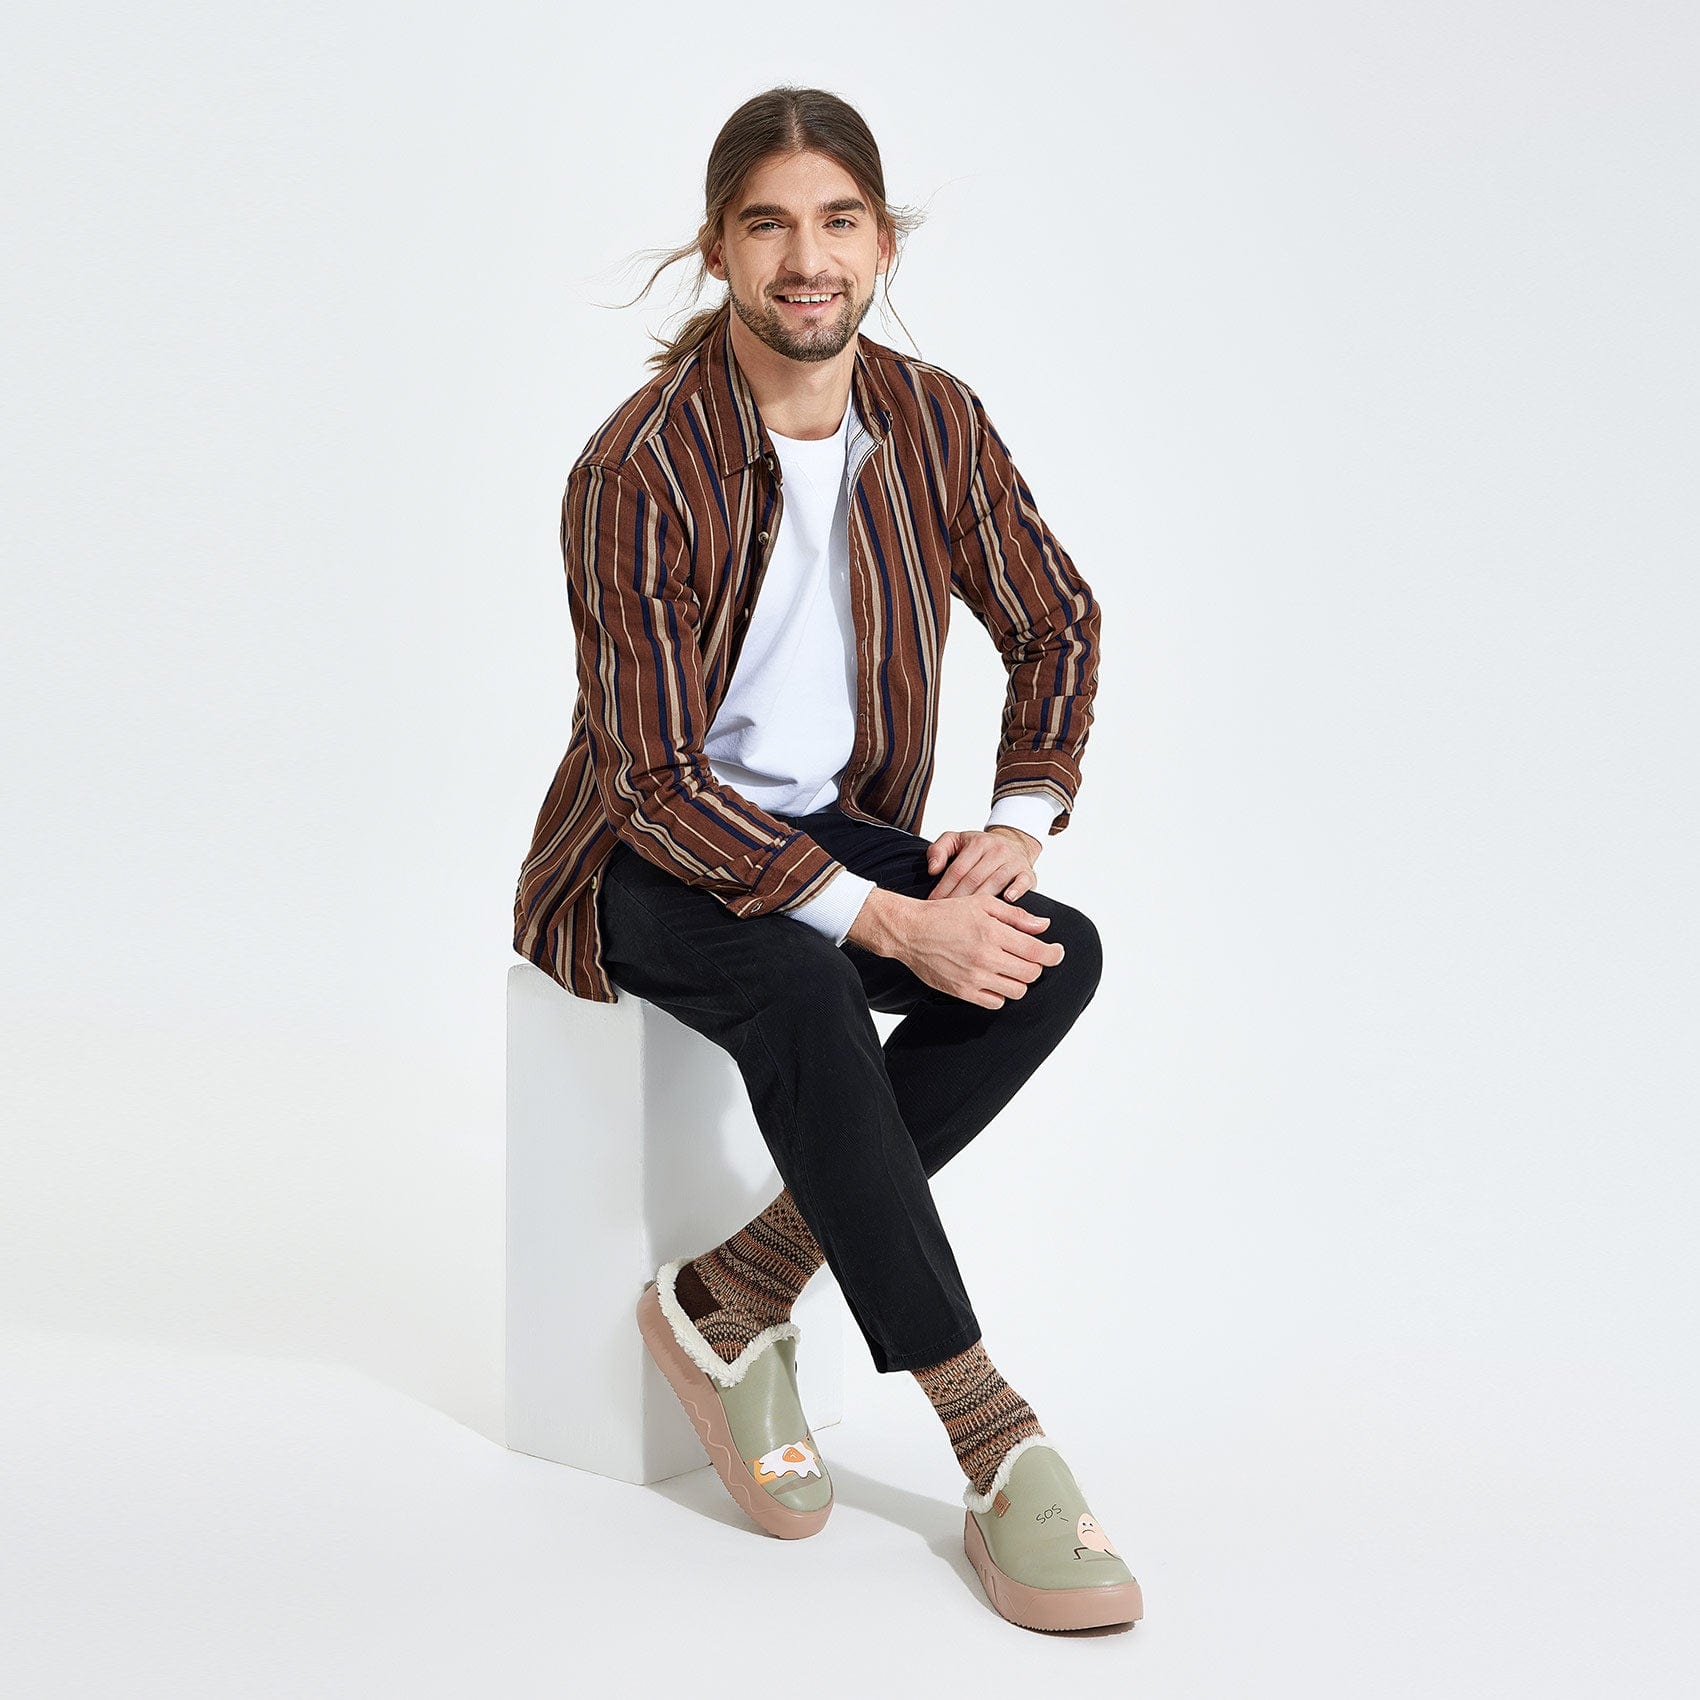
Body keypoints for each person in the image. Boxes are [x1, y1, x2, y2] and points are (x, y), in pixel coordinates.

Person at [512, 85, 1142, 1633]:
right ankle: (988, 1430)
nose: (808, 258)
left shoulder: (932, 420)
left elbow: (1055, 618)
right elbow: (655, 777)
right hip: (640, 859)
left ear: (880, 243)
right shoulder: (638, 467)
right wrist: (891, 925)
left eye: (838, 221)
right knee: (805, 987)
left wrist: (1018, 819)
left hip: (826, 830)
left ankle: (734, 1292)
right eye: (771, 224)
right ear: (720, 248)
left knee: (1054, 954)